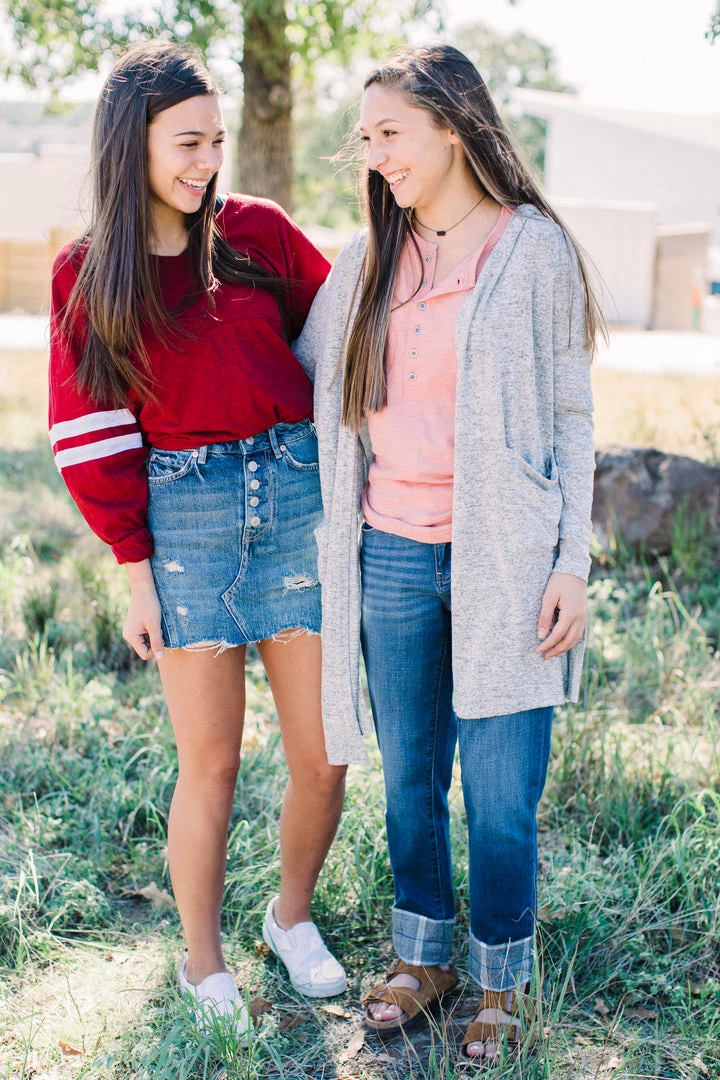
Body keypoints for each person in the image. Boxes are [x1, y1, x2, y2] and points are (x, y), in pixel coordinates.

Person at [294, 43, 600, 1065]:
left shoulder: (534, 249)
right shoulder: (368, 257)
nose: (374, 154)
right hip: (388, 551)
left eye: (390, 133)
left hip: (505, 558)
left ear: (454, 128)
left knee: (502, 794)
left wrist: (571, 562)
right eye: (367, 137)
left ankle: (501, 974)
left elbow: (571, 413)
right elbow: (294, 367)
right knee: (411, 778)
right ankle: (423, 956)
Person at [48, 40, 348, 1039]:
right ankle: (202, 964)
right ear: (129, 145)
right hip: (187, 521)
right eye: (187, 143)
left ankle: (289, 918)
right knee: (211, 763)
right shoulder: (88, 273)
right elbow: (92, 434)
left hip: (297, 500)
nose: (208, 161)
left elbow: (340, 338)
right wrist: (135, 573)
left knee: (325, 755)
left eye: (217, 140)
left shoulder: (259, 232)